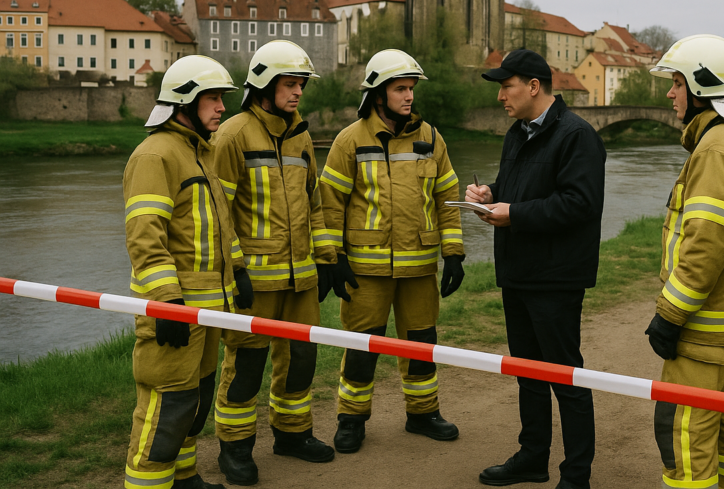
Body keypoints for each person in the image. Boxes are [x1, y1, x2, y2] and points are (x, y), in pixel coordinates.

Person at [466, 49, 605, 489]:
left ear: (533, 86)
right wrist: (491, 192)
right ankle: (532, 458)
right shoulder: (516, 134)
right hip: (518, 272)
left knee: (566, 376)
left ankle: (576, 475)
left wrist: (516, 214)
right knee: (527, 371)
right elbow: (517, 187)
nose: (501, 95)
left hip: (556, 278)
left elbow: (580, 205)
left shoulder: (577, 135)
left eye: (506, 86)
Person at [643, 35, 724, 489]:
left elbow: (707, 243)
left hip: (704, 328)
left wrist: (670, 314)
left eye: (677, 83)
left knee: (684, 436)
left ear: (703, 88)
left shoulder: (716, 149)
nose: (670, 93)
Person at [318, 48, 466, 454]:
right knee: (362, 346)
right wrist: (334, 259)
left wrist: (453, 252)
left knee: (421, 343)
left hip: (419, 267)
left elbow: (447, 197)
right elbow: (329, 204)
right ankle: (351, 419)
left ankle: (422, 414)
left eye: (411, 88)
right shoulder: (349, 141)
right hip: (365, 270)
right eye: (400, 88)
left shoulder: (431, 138)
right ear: (379, 93)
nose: (409, 96)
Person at [211, 41, 342, 485]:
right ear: (264, 86)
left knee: (302, 360)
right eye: (291, 83)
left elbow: (315, 202)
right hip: (254, 283)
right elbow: (219, 213)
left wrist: (326, 257)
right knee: (246, 367)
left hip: (300, 278)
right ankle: (234, 449)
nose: (299, 92)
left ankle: (292, 434)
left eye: (302, 84)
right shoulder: (232, 134)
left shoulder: (302, 136)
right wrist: (236, 271)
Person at [122, 55, 251, 489]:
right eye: (212, 98)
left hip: (210, 307)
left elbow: (218, 224)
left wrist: (238, 270)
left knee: (194, 404)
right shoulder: (155, 155)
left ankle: (184, 477)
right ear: (183, 103)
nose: (221, 107)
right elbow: (145, 235)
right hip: (178, 308)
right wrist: (166, 302)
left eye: (222, 98)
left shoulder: (200, 151)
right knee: (166, 407)